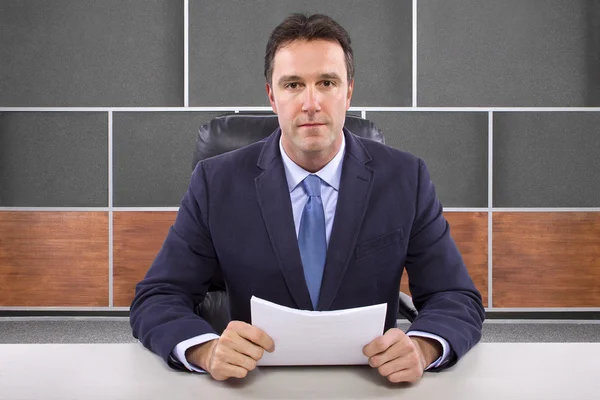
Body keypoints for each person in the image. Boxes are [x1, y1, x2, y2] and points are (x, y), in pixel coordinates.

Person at [130, 13, 485, 384]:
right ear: (272, 95)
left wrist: (423, 346)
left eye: (327, 82)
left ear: (348, 92)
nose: (311, 103)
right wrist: (205, 350)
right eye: (293, 84)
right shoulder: (216, 182)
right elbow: (158, 297)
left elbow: (455, 296)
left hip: (372, 383)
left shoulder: (405, 178)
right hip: (253, 384)